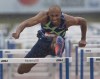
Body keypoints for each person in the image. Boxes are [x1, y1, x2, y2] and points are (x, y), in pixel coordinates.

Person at [12, 5, 87, 74]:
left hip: (57, 44)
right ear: (48, 14)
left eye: (57, 16)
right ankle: (55, 42)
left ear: (61, 14)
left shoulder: (68, 20)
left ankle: (57, 44)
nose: (54, 18)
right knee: (21, 70)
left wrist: (83, 39)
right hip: (42, 44)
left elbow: (83, 21)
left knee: (56, 38)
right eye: (52, 16)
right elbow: (26, 23)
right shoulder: (43, 16)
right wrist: (17, 32)